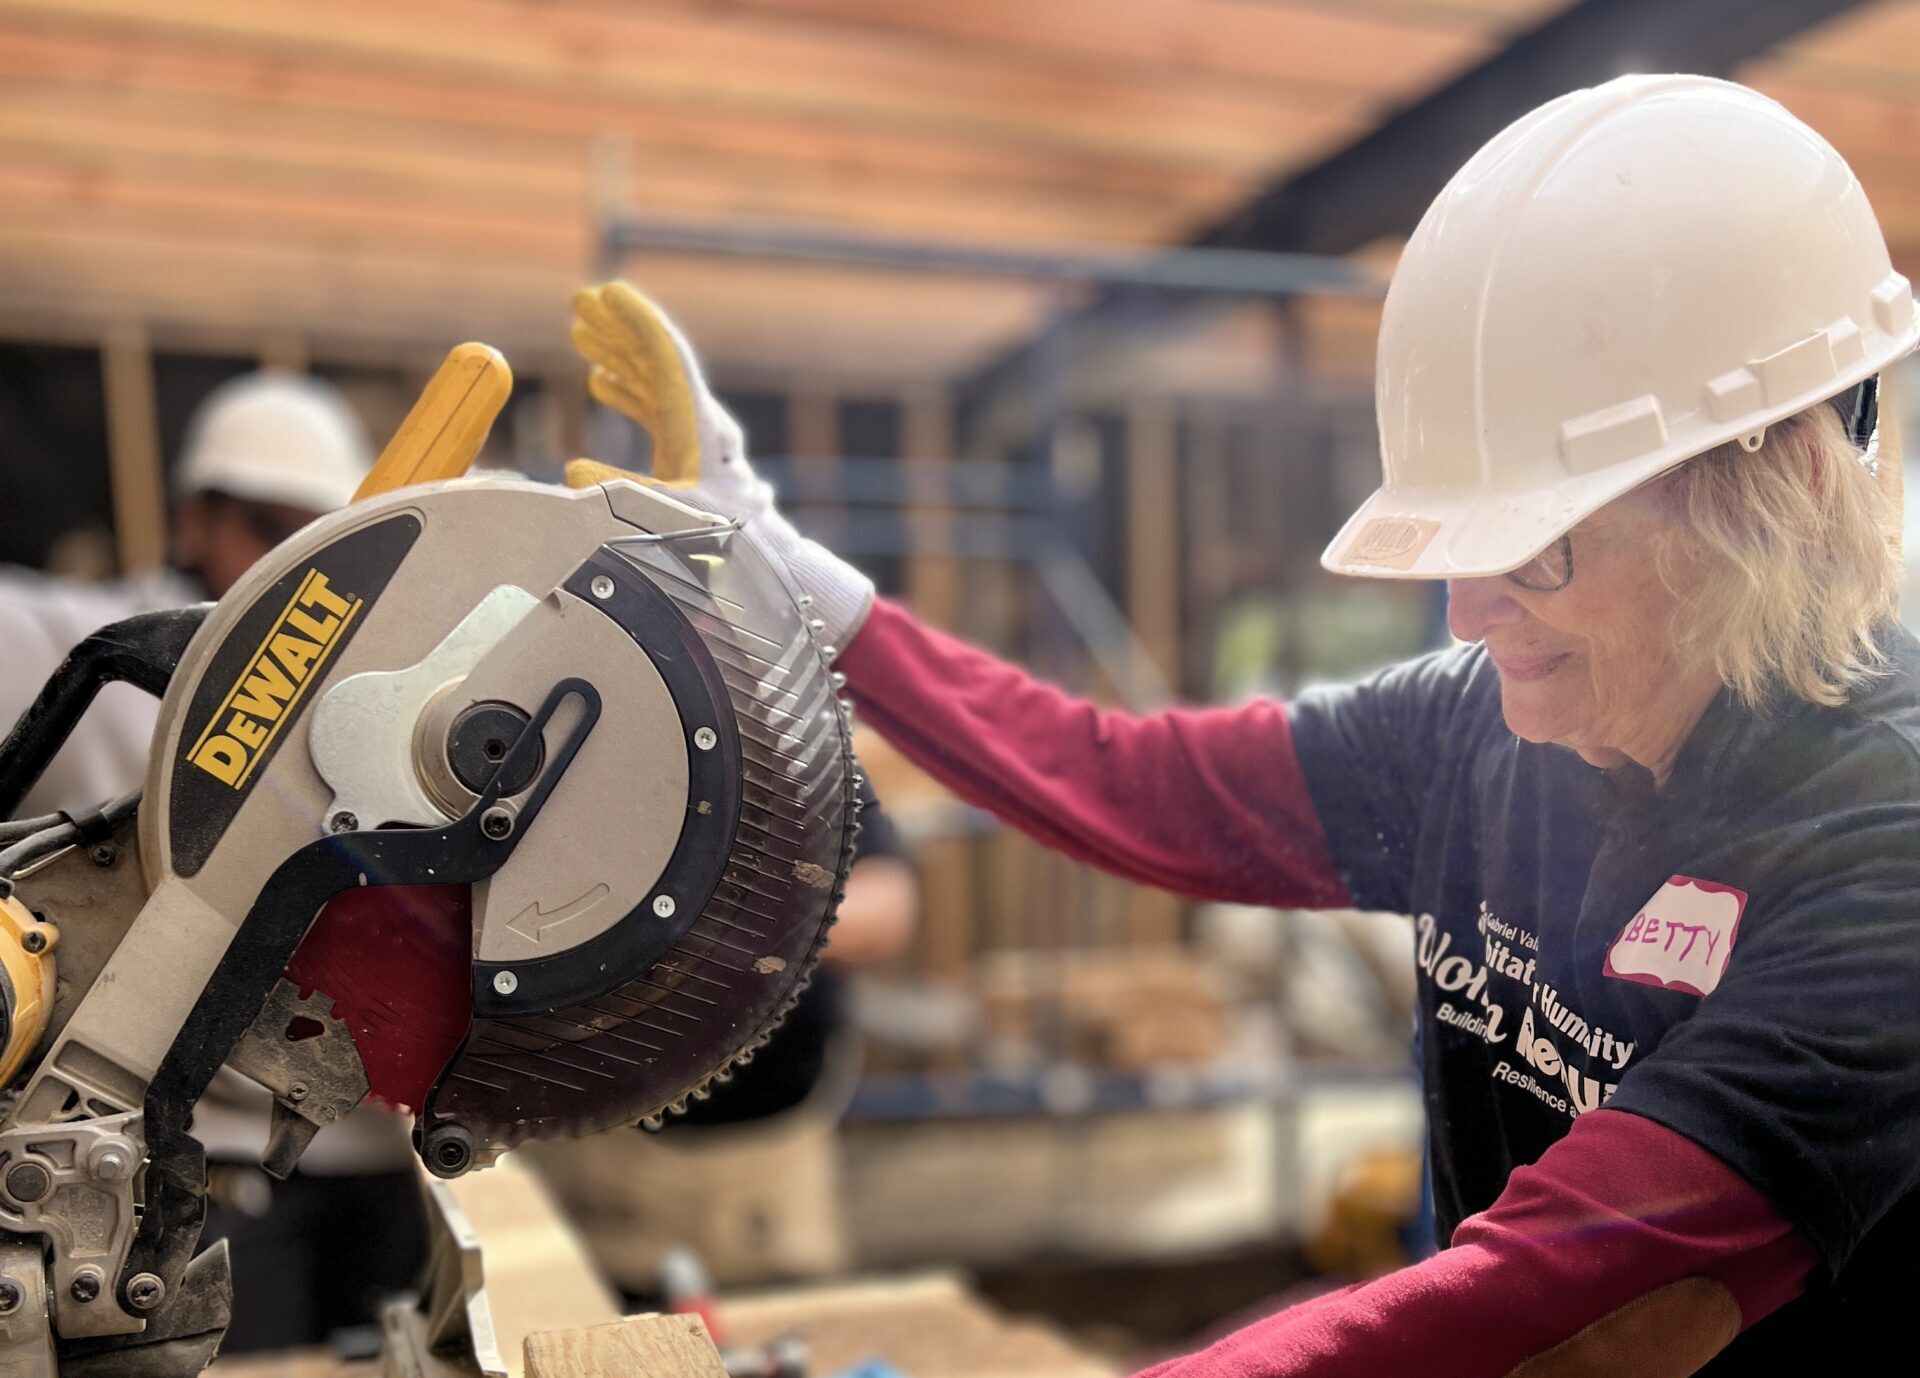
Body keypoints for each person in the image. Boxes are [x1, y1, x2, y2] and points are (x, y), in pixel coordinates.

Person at [605, 76, 1920, 1375]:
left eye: (1544, 549)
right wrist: (809, 591)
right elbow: (1132, 784)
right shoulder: (1480, 736)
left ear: (1775, 498)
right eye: (1456, 548)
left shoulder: (1885, 859)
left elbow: (1542, 1293)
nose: (1465, 615)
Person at [0, 370, 428, 1352]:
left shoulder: (382, 701)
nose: (297, 567)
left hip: (376, 1154)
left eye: (326, 538)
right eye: (274, 528)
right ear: (194, 519)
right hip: (180, 1172)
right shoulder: (81, 642)